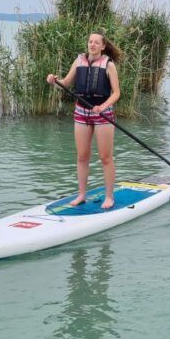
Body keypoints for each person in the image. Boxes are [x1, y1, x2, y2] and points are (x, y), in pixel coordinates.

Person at [46, 32, 122, 210]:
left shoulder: (108, 64)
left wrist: (103, 106)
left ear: (103, 46)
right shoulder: (79, 61)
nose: (92, 45)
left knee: (105, 157)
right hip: (81, 112)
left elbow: (117, 93)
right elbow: (64, 83)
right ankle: (81, 195)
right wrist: (54, 81)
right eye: (90, 42)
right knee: (82, 156)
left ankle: (109, 197)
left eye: (96, 42)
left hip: (102, 114)